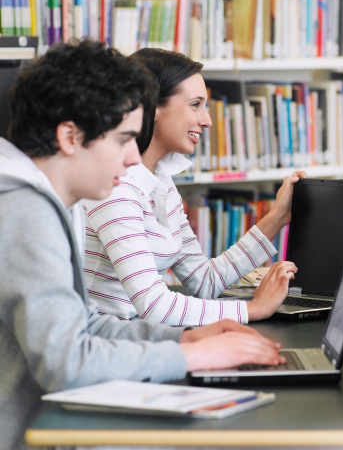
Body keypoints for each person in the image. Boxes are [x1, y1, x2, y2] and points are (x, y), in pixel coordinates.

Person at [0, 42, 284, 450]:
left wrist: (183, 340)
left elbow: (84, 325)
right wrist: (192, 357)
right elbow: (67, 361)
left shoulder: (51, 201)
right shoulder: (27, 213)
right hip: (35, 431)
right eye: (124, 139)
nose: (135, 157)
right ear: (69, 137)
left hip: (54, 416)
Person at [83, 48, 301, 326]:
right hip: (106, 342)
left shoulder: (161, 181)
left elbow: (205, 281)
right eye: (195, 104)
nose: (207, 120)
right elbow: (154, 305)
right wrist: (252, 310)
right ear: (153, 106)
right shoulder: (116, 186)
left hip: (137, 335)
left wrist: (278, 217)